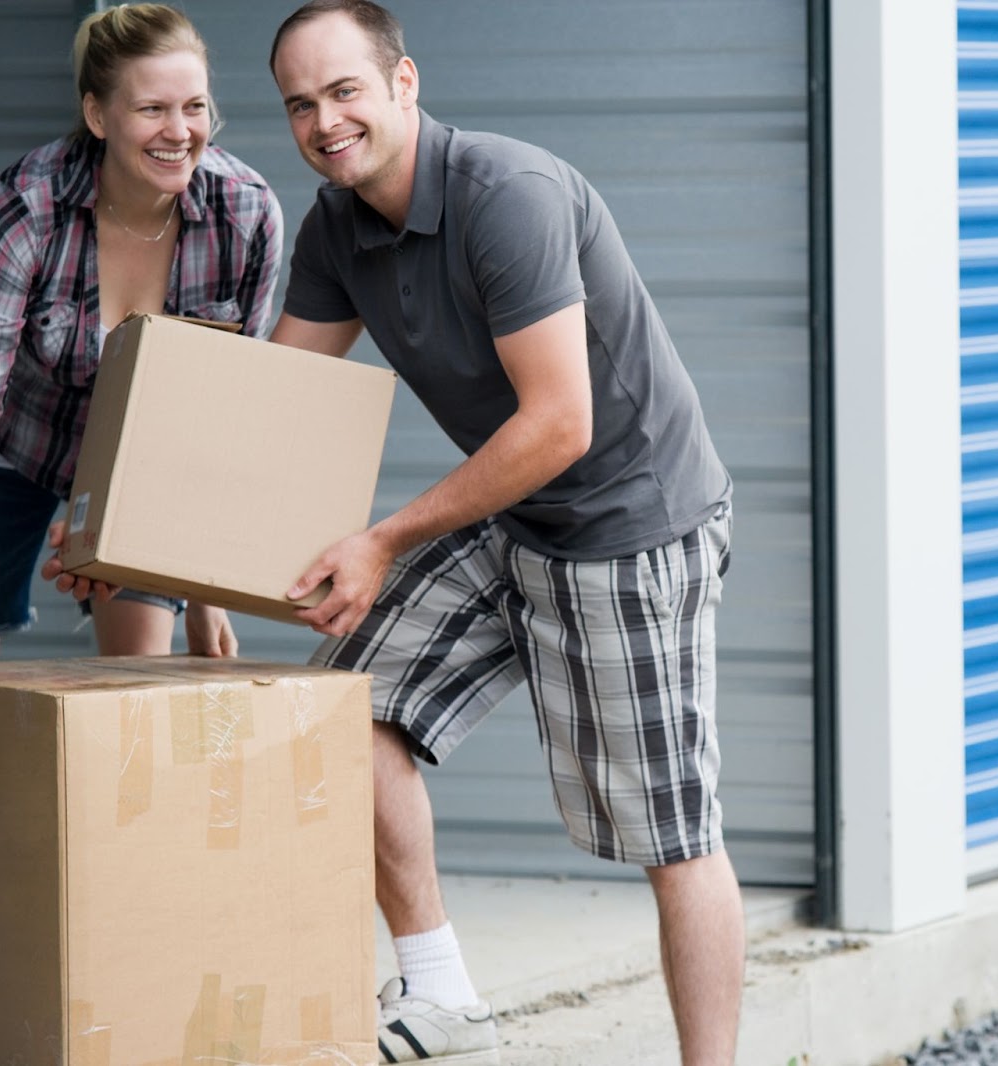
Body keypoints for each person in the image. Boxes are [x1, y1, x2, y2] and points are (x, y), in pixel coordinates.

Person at [266, 2, 743, 1062]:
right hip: (512, 510)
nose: (324, 121)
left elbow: (561, 422)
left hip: (630, 520)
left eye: (343, 90)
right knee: (348, 707)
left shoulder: (506, 197)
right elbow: (273, 399)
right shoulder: (335, 226)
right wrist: (145, 544)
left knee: (671, 835)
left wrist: (381, 540)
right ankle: (443, 995)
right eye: (300, 103)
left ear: (403, 83)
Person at [0, 3, 282, 666]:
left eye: (194, 106)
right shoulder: (29, 209)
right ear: (97, 116)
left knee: (139, 677)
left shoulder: (246, 214)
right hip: (11, 448)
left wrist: (205, 592)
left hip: (142, 463)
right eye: (151, 110)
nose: (179, 132)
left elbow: (225, 409)